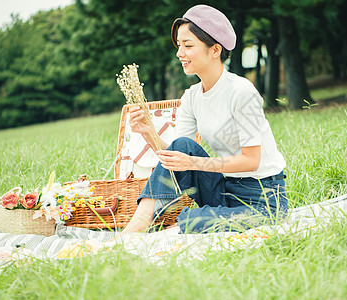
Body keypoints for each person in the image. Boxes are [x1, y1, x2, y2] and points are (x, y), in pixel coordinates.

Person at [118, 4, 287, 236]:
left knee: (190, 222)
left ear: (215, 50)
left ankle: (205, 218)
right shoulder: (192, 97)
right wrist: (149, 133)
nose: (180, 53)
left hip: (263, 199)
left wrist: (192, 163)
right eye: (179, 45)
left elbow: (252, 161)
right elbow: (178, 157)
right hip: (223, 189)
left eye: (188, 45)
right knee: (184, 146)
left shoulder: (242, 92)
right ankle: (135, 227)